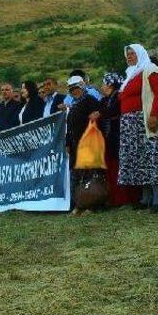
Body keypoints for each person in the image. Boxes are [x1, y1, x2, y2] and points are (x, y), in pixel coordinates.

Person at [118, 44, 158, 213]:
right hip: (130, 124)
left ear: (141, 53)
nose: (129, 57)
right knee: (140, 159)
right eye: (127, 54)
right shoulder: (130, 74)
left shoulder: (150, 69)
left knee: (153, 157)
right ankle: (145, 196)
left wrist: (154, 115)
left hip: (144, 120)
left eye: (132, 53)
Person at [90, 72, 141, 207]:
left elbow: (113, 111)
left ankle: (126, 198)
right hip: (108, 138)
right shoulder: (104, 100)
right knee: (111, 168)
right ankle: (114, 198)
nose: (102, 87)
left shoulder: (118, 97)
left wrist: (101, 114)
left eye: (104, 84)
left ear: (111, 85)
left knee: (120, 166)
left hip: (119, 135)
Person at [66, 76, 102, 215]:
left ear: (82, 87)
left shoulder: (91, 101)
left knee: (90, 175)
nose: (74, 92)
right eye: (72, 90)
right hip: (75, 145)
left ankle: (91, 205)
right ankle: (78, 205)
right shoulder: (73, 104)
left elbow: (97, 121)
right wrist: (68, 142)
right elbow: (70, 127)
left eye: (76, 89)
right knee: (76, 176)